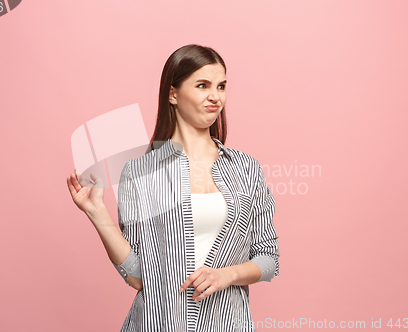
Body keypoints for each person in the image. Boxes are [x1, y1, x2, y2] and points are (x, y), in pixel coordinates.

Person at [66, 44, 280, 332]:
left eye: (221, 86)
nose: (215, 96)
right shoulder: (140, 173)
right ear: (173, 93)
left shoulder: (246, 169)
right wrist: (97, 213)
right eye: (202, 85)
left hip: (227, 323)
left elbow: (268, 259)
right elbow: (138, 278)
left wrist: (227, 275)